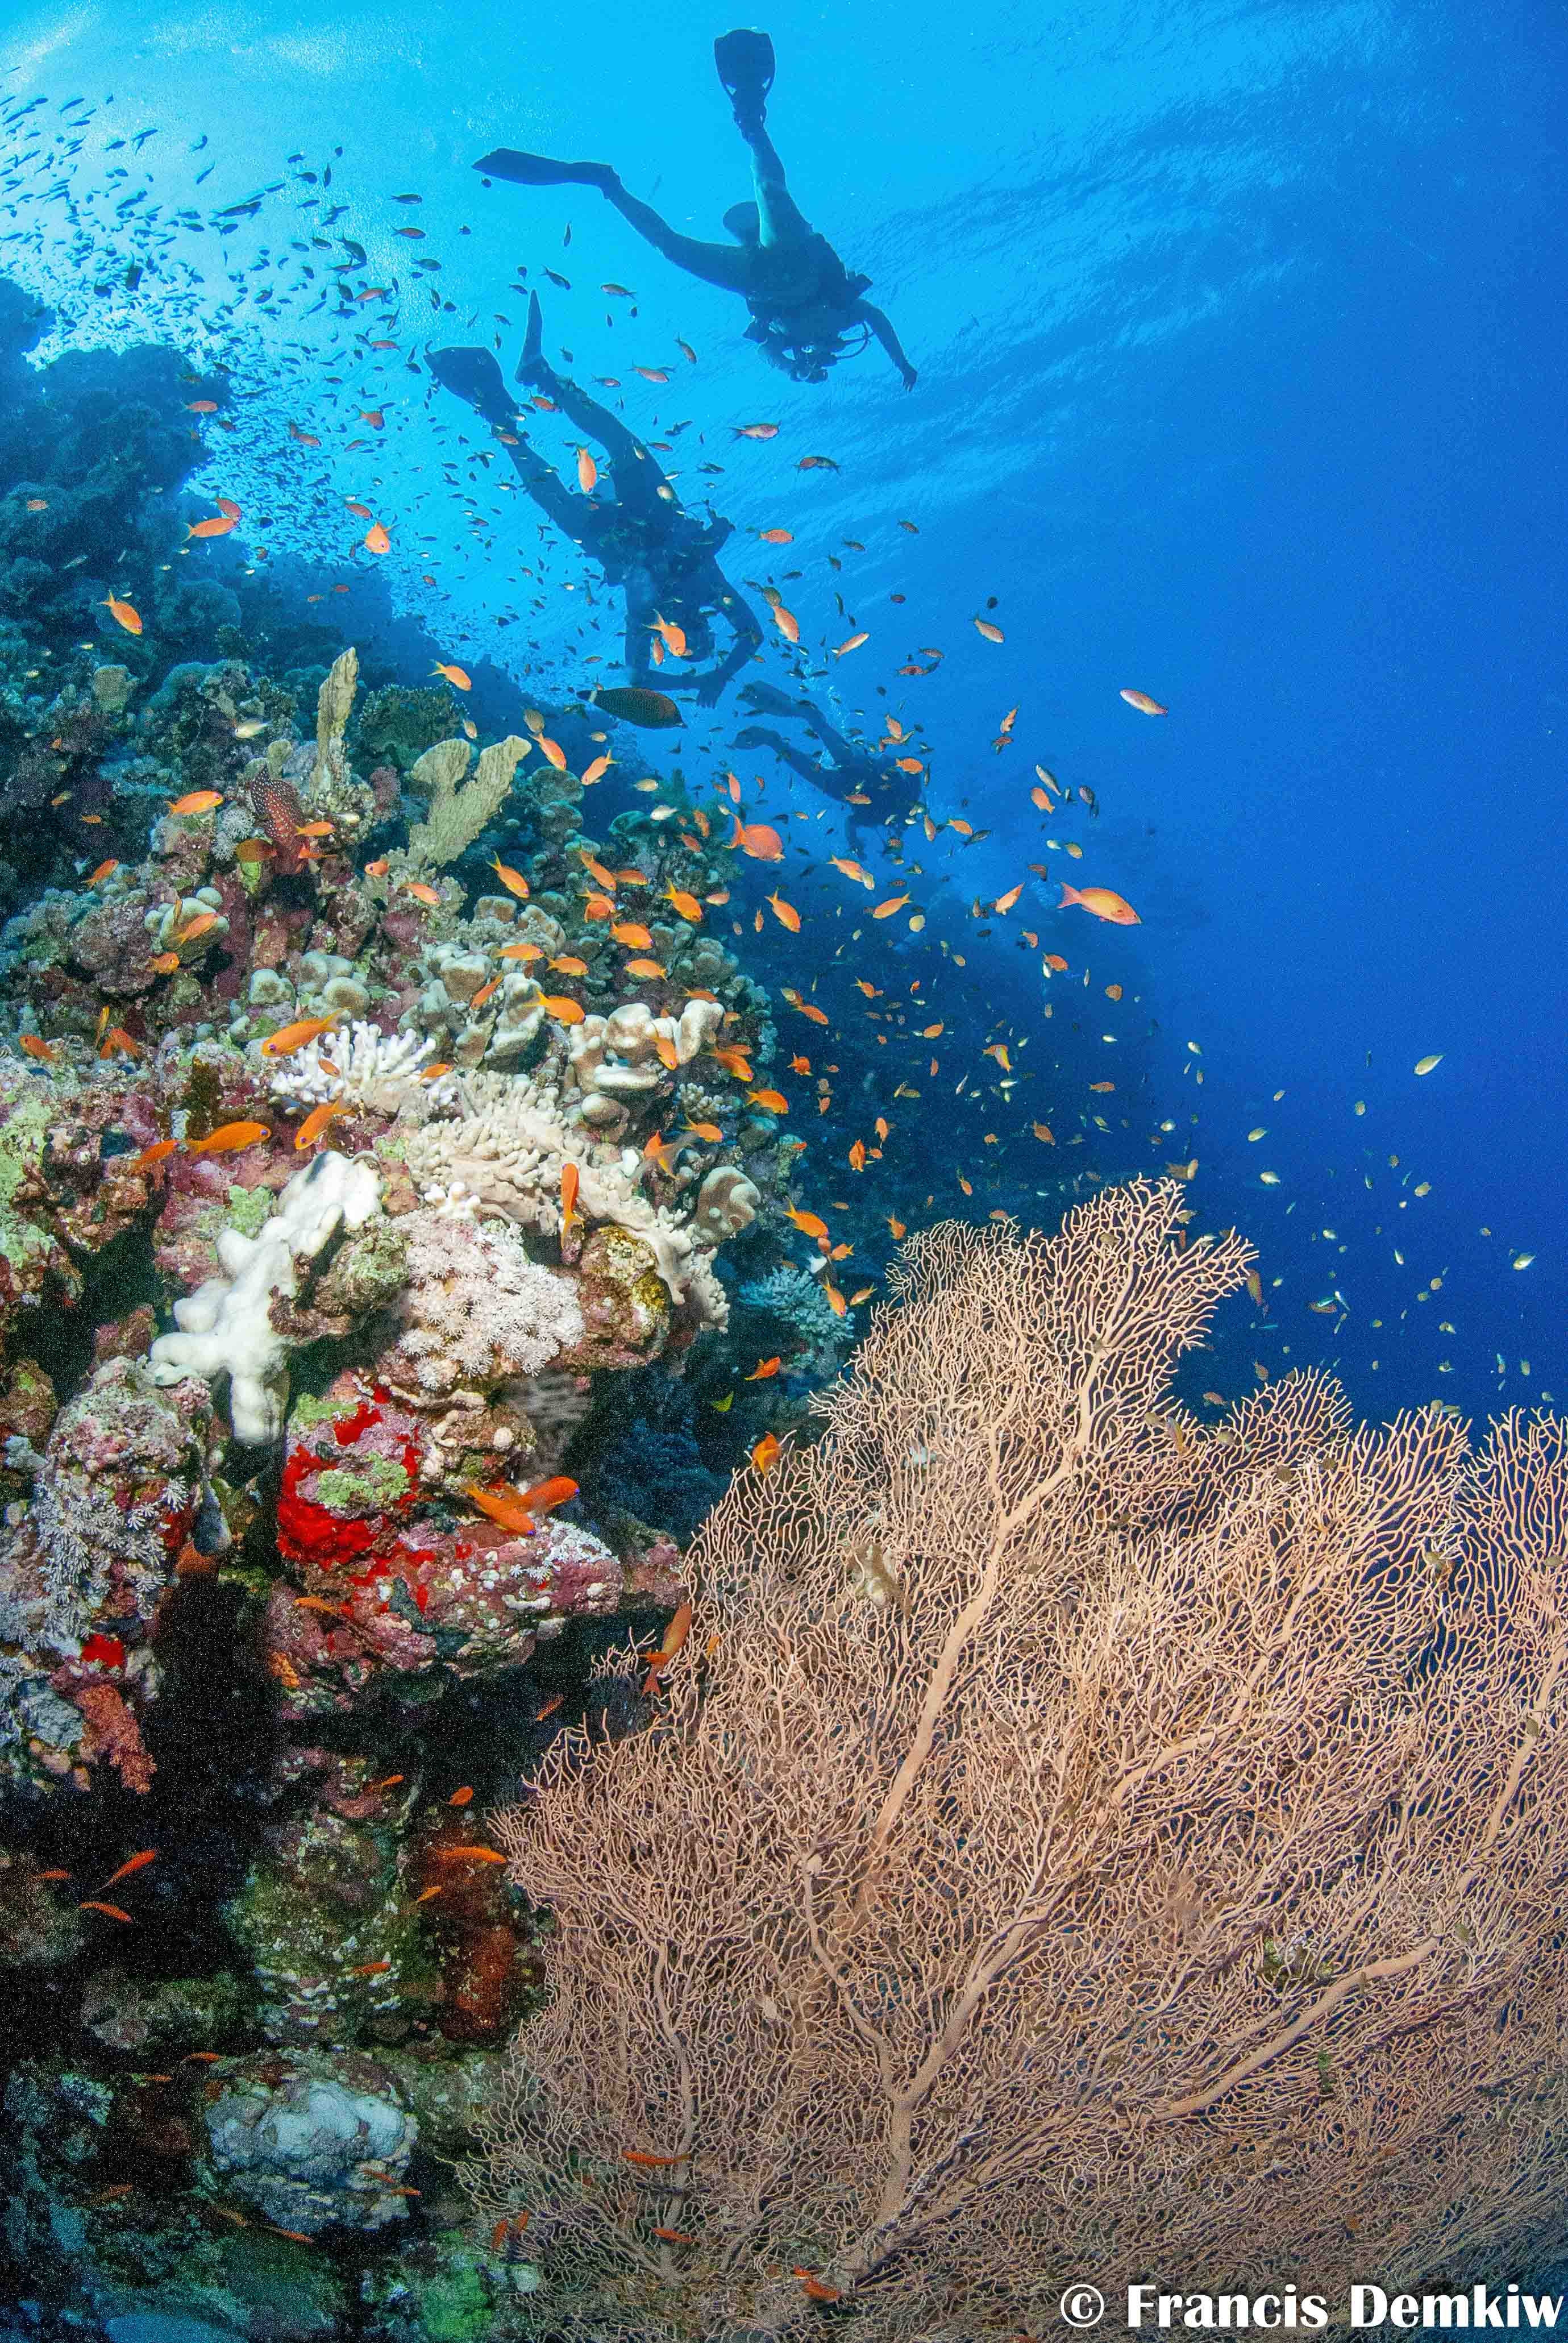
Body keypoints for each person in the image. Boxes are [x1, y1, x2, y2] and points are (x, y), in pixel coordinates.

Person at [474, 29, 917, 391]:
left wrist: (792, 370)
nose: (822, 352)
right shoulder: (847, 313)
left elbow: (766, 351)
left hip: (757, 277)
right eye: (825, 354)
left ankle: (607, 185)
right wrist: (901, 363)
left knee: (672, 246)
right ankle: (750, 119)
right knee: (770, 190)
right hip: (791, 257)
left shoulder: (790, 345)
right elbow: (877, 319)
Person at [426, 294, 764, 705]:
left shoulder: (651, 618)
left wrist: (705, 681)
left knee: (571, 483)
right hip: (652, 515)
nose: (688, 636)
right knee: (611, 454)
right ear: (707, 629)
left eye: (685, 646)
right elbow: (752, 635)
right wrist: (715, 678)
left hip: (616, 536)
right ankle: (535, 384)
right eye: (698, 638)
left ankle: (503, 414)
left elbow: (638, 676)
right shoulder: (707, 590)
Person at [733, 680, 923, 851]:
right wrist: (890, 763)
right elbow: (913, 767)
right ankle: (794, 723)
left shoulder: (880, 818)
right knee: (816, 746)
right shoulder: (909, 796)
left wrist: (853, 841)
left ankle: (774, 739)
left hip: (846, 785)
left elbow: (851, 822)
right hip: (860, 769)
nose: (899, 826)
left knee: (806, 764)